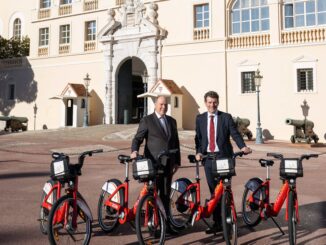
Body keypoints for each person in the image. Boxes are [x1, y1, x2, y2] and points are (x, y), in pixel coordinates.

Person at [195, 91, 251, 234]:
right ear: (205, 103)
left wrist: (242, 147)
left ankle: (228, 220)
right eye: (209, 102)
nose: (212, 105)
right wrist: (199, 152)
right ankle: (217, 223)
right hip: (208, 159)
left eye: (214, 102)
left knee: (225, 190)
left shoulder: (226, 117)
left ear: (218, 102)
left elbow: (235, 134)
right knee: (214, 193)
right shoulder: (200, 118)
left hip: (224, 159)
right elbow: (199, 138)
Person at [130, 95, 181, 232]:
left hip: (168, 164)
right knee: (152, 195)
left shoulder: (172, 121)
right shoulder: (147, 120)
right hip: (153, 165)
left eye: (165, 105)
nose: (163, 107)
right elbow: (137, 139)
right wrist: (134, 151)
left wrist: (177, 161)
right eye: (161, 104)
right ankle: (153, 225)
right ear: (155, 105)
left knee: (165, 195)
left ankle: (166, 224)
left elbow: (176, 142)